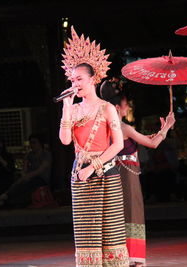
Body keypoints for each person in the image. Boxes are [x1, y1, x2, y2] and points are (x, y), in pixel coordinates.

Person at [58, 26, 129, 267]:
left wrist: (93, 167)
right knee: (86, 235)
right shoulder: (74, 110)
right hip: (80, 175)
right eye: (72, 79)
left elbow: (118, 144)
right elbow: (65, 140)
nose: (75, 83)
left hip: (105, 173)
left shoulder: (107, 108)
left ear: (93, 79)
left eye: (79, 79)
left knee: (110, 232)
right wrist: (66, 108)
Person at [100, 80, 175, 267]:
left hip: (113, 175)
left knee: (117, 214)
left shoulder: (106, 127)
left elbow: (142, 140)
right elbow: (154, 144)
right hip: (126, 177)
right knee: (132, 213)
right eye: (126, 105)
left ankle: (117, 256)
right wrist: (166, 127)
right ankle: (133, 258)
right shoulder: (124, 128)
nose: (128, 108)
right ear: (117, 107)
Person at [0, 134, 53, 209]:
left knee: (24, 187)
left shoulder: (46, 154)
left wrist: (27, 176)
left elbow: (40, 170)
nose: (31, 145)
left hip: (40, 180)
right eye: (30, 143)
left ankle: (3, 199)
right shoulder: (29, 155)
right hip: (28, 178)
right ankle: (3, 200)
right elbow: (24, 169)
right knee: (20, 185)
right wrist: (24, 174)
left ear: (40, 143)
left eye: (34, 142)